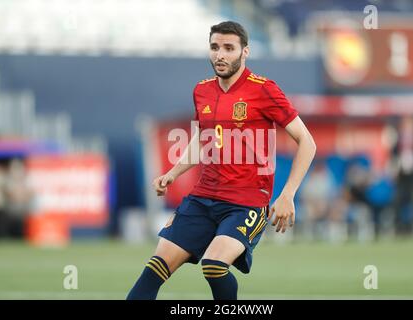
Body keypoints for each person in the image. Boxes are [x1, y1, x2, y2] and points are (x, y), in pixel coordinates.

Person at [127, 21, 316, 300]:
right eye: (215, 47)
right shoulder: (202, 90)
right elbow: (203, 140)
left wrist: (288, 194)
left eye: (229, 48)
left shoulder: (264, 90)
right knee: (155, 268)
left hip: (246, 202)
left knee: (214, 265)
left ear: (245, 52)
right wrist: (173, 173)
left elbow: (307, 141)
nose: (220, 55)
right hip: (203, 198)